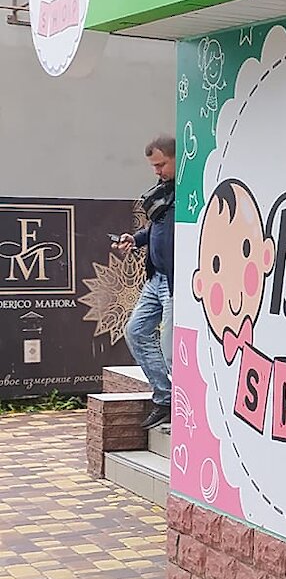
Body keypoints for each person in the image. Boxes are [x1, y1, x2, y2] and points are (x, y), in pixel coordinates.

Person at [116, 135, 176, 429]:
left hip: (177, 283)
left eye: (161, 164)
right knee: (136, 331)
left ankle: (183, 408)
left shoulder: (190, 193)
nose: (157, 171)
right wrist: (136, 239)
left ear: (178, 158)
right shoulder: (166, 191)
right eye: (154, 166)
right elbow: (157, 227)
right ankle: (165, 399)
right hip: (157, 278)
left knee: (171, 350)